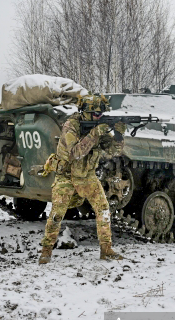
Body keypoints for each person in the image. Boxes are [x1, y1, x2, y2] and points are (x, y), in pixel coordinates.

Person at [39, 94, 126, 264]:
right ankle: (46, 251)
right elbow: (75, 153)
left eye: (101, 114)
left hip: (87, 176)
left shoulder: (98, 127)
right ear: (85, 112)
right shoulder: (71, 126)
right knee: (57, 214)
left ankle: (106, 250)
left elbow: (113, 151)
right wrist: (95, 133)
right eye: (95, 114)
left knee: (103, 210)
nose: (98, 117)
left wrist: (118, 136)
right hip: (67, 175)